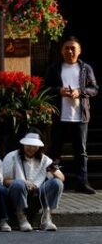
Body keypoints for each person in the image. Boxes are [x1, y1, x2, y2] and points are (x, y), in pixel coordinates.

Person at [45, 36, 98, 194]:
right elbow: (45, 88)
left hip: (80, 116)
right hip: (59, 115)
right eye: (66, 48)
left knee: (81, 151)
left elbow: (94, 89)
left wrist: (80, 92)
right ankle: (52, 180)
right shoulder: (54, 68)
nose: (69, 51)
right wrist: (58, 91)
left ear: (79, 51)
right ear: (61, 50)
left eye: (73, 48)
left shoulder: (85, 68)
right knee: (55, 150)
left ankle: (82, 182)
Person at [2, 131, 65, 232]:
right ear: (23, 144)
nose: (31, 148)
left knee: (57, 183)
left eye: (34, 146)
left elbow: (61, 178)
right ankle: (21, 217)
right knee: (19, 183)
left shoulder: (44, 159)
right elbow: (5, 181)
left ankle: (47, 217)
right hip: (17, 194)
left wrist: (53, 170)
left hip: (37, 196)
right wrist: (24, 182)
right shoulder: (12, 156)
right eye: (28, 145)